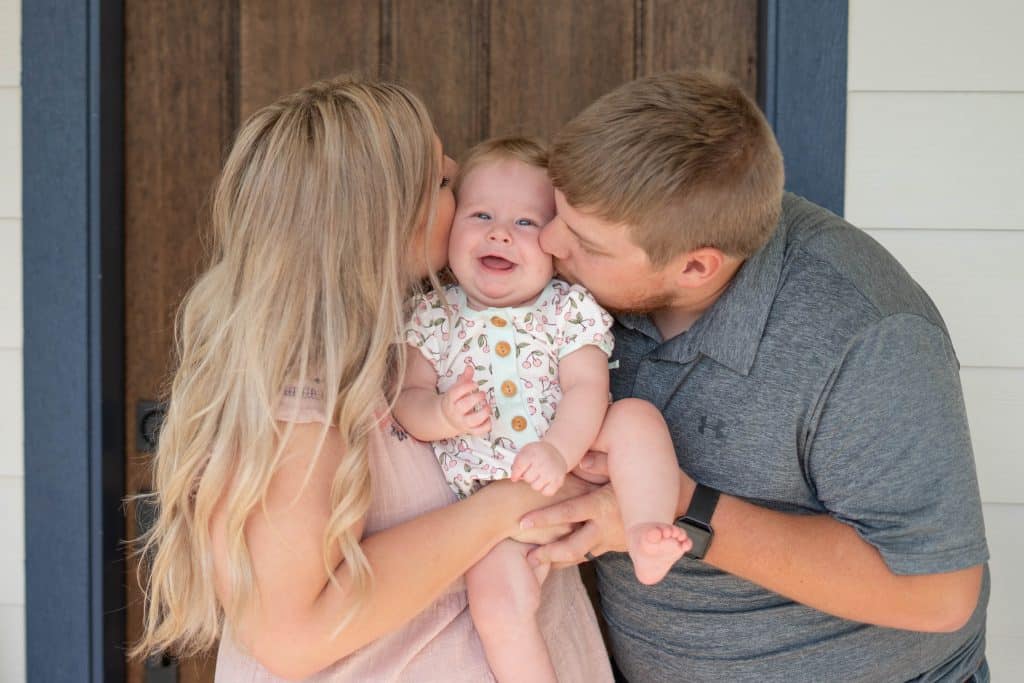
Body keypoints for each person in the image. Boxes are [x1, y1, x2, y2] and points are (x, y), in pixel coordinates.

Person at [131, 76, 612, 682]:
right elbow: (292, 635)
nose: (459, 177)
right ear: (384, 218)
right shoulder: (299, 396)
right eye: (441, 181)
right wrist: (511, 505)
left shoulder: (415, 341)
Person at [521, 70, 991, 682]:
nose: (550, 241)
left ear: (695, 267)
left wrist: (679, 507)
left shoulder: (867, 337)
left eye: (585, 241)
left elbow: (938, 594)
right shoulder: (597, 258)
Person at [394, 137, 688, 682]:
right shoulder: (434, 314)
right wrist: (443, 415)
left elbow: (586, 390)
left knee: (635, 419)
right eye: (481, 214)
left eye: (527, 223)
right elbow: (409, 399)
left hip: (571, 460)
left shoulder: (566, 308)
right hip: (493, 515)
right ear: (453, 226)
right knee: (498, 609)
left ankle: (647, 529)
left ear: (555, 244)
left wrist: (557, 450)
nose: (500, 232)